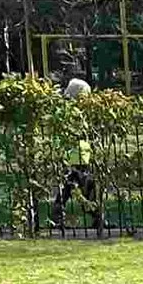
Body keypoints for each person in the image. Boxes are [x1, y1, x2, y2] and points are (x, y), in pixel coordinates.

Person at [50, 77, 106, 235]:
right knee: (81, 187)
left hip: (79, 153)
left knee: (70, 188)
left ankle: (59, 218)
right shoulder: (73, 112)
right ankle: (96, 218)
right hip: (77, 154)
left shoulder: (70, 111)